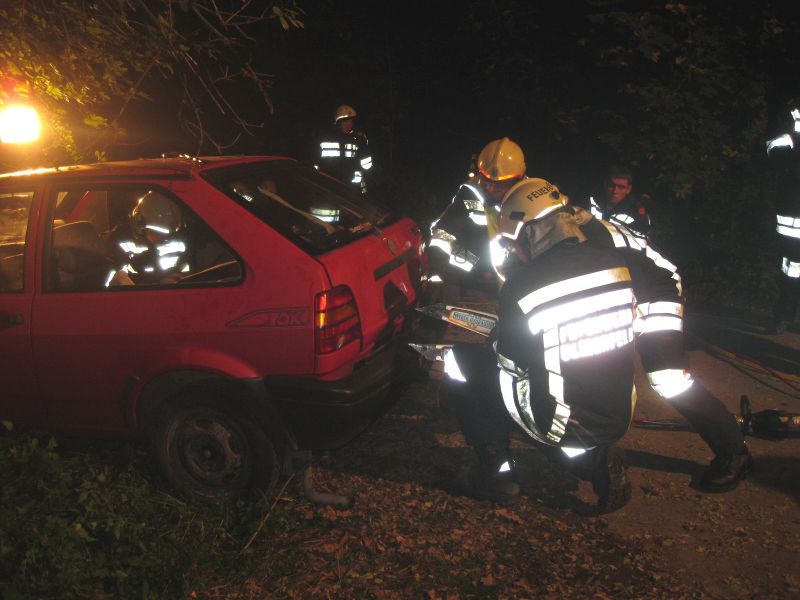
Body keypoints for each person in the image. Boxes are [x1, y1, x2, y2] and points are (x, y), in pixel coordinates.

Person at [442, 178, 753, 511]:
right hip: (620, 291)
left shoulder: (595, 239)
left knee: (668, 378)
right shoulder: (566, 232)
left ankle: (733, 452)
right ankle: (590, 436)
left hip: (653, 293)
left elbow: (641, 275)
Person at [426, 137, 526, 294]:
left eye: (501, 183)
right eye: (487, 180)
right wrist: (436, 277)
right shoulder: (470, 193)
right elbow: (444, 233)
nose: (492, 187)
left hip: (512, 283)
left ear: (517, 179)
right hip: (466, 279)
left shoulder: (527, 198)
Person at [765, 105, 800, 334]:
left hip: (790, 224)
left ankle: (786, 319)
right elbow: (771, 151)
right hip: (791, 226)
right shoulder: (787, 140)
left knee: (791, 273)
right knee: (791, 272)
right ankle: (783, 318)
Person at [108, 191, 191, 286]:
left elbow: (186, 273)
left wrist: (176, 280)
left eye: (165, 234)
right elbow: (112, 283)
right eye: (155, 232)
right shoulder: (120, 241)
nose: (161, 238)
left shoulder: (178, 243)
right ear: (140, 226)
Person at [316, 104, 373, 194]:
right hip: (327, 188)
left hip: (352, 190)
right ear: (338, 122)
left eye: (350, 121)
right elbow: (315, 162)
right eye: (345, 121)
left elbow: (367, 166)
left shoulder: (357, 140)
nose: (349, 124)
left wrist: (363, 147)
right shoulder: (324, 139)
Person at [588, 165, 651, 238]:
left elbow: (642, 240)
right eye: (611, 185)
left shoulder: (637, 213)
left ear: (628, 189)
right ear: (605, 184)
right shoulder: (593, 199)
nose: (615, 191)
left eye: (621, 187)